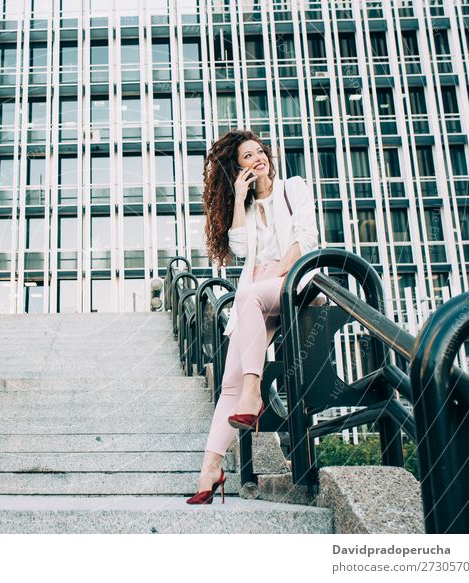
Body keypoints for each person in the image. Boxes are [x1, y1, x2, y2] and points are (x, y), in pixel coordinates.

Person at [186, 129, 320, 504]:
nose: (258, 158)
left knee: (245, 296)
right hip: (255, 297)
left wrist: (275, 273)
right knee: (228, 382)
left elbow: (306, 240)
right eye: (247, 156)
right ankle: (210, 469)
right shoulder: (245, 207)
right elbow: (240, 248)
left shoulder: (293, 188)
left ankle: (253, 393)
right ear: (238, 168)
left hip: (294, 286)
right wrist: (240, 200)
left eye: (260, 151)